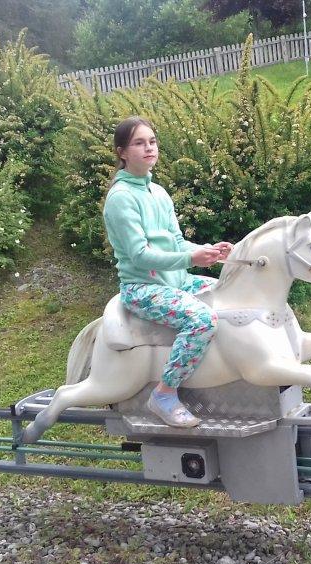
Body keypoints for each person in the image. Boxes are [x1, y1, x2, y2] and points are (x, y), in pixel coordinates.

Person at [102, 116, 233, 427]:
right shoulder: (120, 198)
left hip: (178, 281)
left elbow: (176, 242)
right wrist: (190, 258)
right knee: (202, 319)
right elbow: (140, 256)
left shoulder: (158, 192)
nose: (149, 148)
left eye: (152, 141)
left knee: (229, 293)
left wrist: (208, 250)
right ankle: (164, 394)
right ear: (122, 152)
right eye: (139, 143)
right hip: (143, 289)